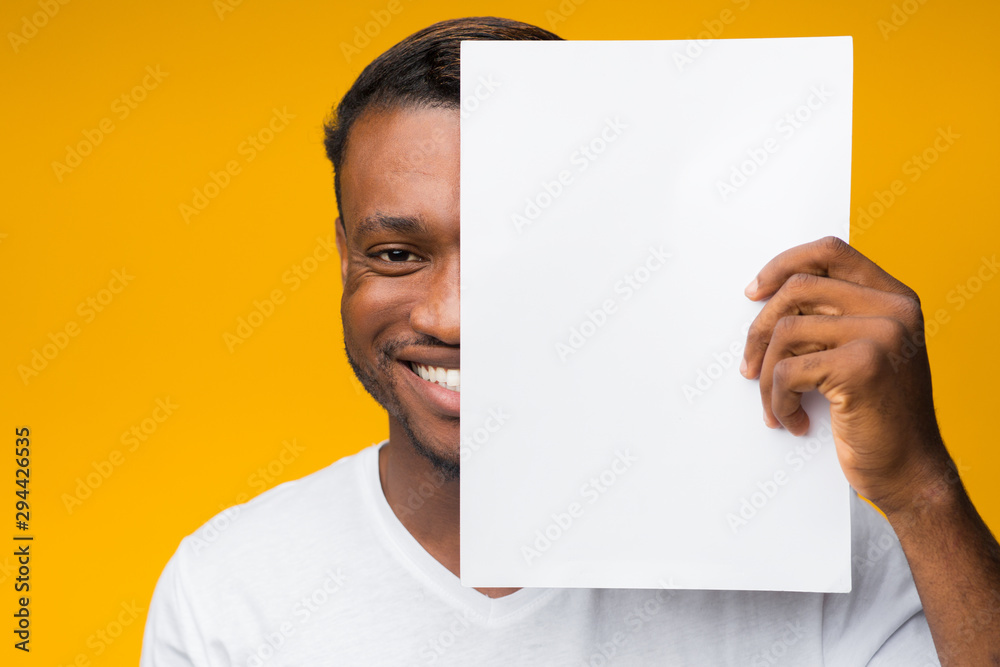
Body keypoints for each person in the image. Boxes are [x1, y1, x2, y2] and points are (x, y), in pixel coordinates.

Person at [140, 17, 1000, 666]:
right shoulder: (230, 591)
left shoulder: (826, 561)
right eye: (397, 254)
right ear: (342, 257)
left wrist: (923, 490)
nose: (451, 315)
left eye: (518, 252)